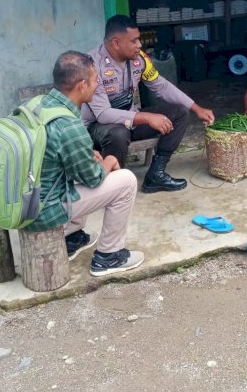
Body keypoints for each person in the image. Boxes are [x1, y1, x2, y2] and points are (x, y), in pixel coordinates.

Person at [24, 50, 144, 277]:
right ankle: (109, 256)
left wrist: (87, 154)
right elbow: (93, 178)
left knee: (83, 163)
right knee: (126, 181)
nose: (98, 84)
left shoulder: (39, 105)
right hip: (43, 211)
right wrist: (109, 161)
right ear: (81, 86)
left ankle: (71, 237)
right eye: (95, 79)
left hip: (26, 198)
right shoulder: (70, 126)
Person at [82, 15, 215, 193]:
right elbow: (103, 114)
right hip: (99, 128)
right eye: (134, 41)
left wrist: (196, 108)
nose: (140, 45)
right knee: (118, 133)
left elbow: (161, 85)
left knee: (180, 112)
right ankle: (112, 186)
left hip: (130, 121)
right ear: (116, 43)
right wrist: (146, 117)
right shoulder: (91, 65)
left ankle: (156, 174)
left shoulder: (140, 59)